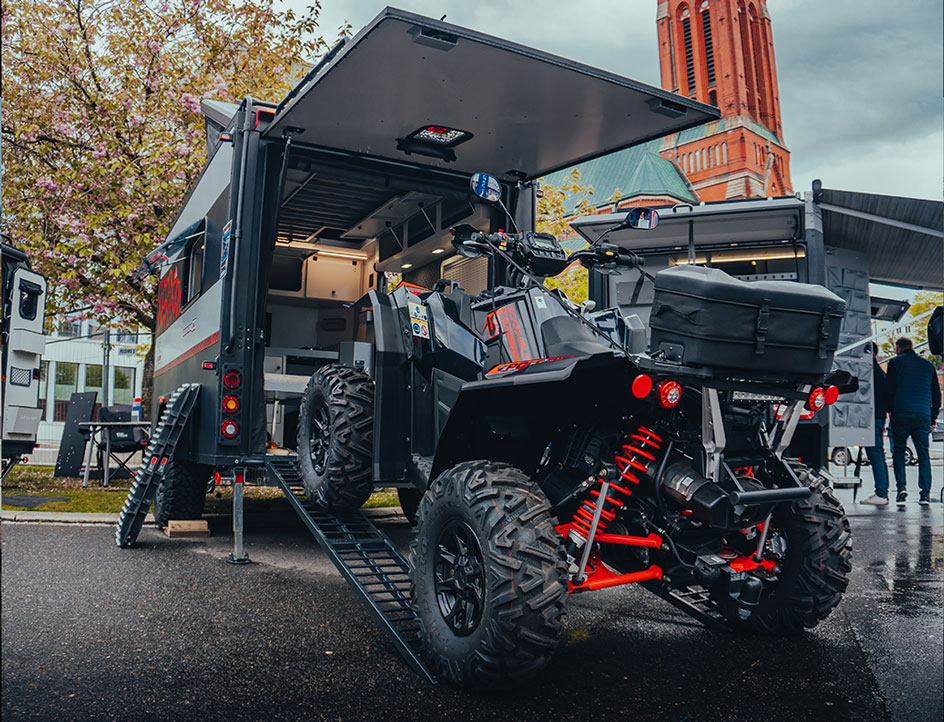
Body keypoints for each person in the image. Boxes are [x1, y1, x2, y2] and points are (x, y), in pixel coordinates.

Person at [883, 337, 941, 505]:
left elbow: (889, 389)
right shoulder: (928, 366)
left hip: (901, 413)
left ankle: (902, 488)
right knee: (923, 455)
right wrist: (933, 416)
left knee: (899, 453)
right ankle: (925, 494)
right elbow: (936, 395)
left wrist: (890, 411)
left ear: (899, 348)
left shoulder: (894, 363)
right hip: (922, 415)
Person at [861, 343, 891, 505]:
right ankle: (882, 492)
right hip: (878, 415)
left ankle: (881, 493)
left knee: (875, 454)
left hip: (871, 416)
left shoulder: (869, 371)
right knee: (877, 453)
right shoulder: (879, 371)